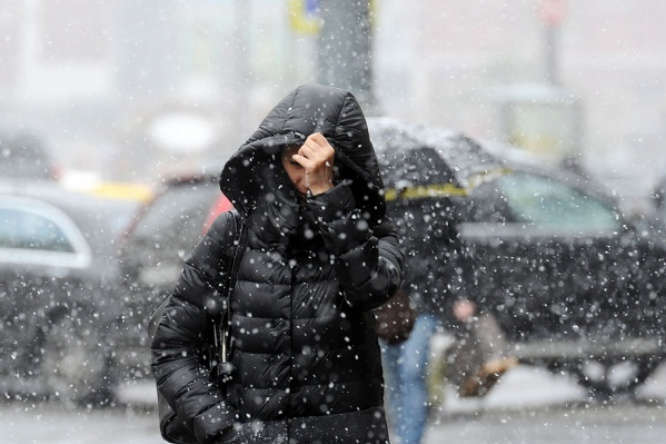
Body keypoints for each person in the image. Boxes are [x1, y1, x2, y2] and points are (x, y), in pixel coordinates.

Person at [151, 84, 405, 444]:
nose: (306, 176)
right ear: (275, 162)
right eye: (296, 162)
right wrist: (221, 428)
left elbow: (370, 289)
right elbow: (173, 344)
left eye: (321, 165)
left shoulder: (369, 234)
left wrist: (329, 199)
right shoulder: (235, 233)